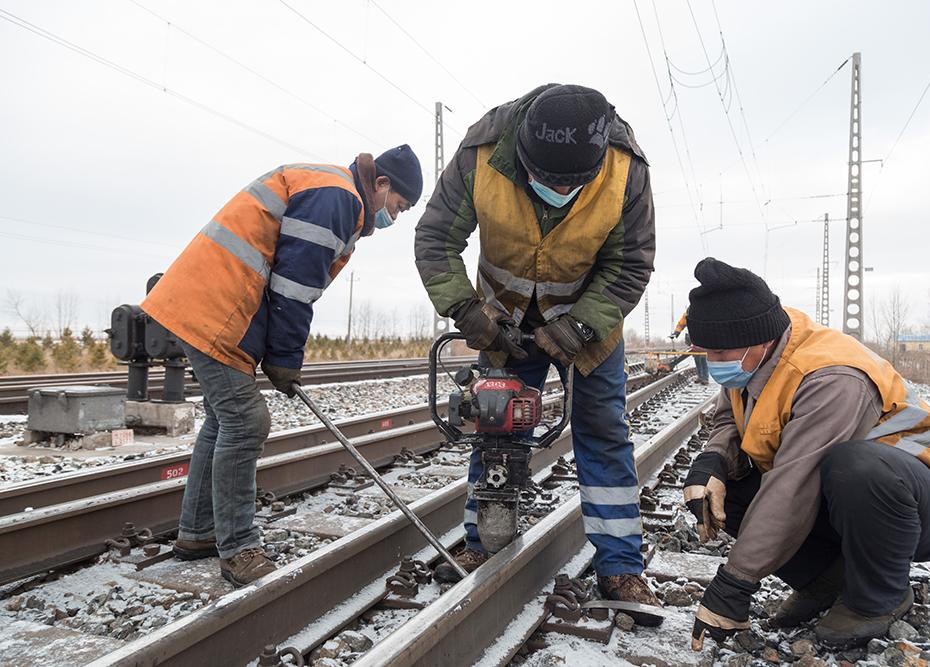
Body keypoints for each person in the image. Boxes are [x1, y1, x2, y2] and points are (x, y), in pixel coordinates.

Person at [414, 83, 661, 625]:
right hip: (502, 322)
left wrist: (579, 327)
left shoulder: (625, 169)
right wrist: (468, 311)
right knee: (497, 425)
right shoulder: (481, 152)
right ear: (522, 155)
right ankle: (484, 539)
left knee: (602, 432)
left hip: (588, 329)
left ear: (593, 168)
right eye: (544, 180)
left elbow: (630, 264)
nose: (555, 190)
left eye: (568, 185)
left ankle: (620, 565)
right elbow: (436, 238)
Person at [142, 146, 423, 587]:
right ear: (382, 184)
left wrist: (278, 354)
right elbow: (294, 286)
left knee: (223, 419)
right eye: (399, 206)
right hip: (216, 306)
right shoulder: (339, 196)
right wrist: (284, 358)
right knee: (246, 421)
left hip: (207, 301)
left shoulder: (333, 190)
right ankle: (239, 549)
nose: (395, 217)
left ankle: (198, 533)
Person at [681, 258, 930, 649]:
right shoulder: (754, 353)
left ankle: (879, 597)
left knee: (854, 467)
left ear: (760, 339)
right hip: (846, 502)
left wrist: (734, 584)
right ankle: (827, 580)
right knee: (717, 490)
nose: (716, 365)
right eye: (708, 354)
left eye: (722, 354)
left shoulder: (831, 376)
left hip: (919, 506)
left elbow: (794, 484)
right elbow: (730, 420)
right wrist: (714, 461)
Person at [670, 308, 709, 383]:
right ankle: (700, 377)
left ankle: (705, 378)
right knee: (697, 358)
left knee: (703, 358)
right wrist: (676, 332)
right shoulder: (686, 315)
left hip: (703, 339)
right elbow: (680, 325)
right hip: (692, 339)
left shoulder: (704, 314)